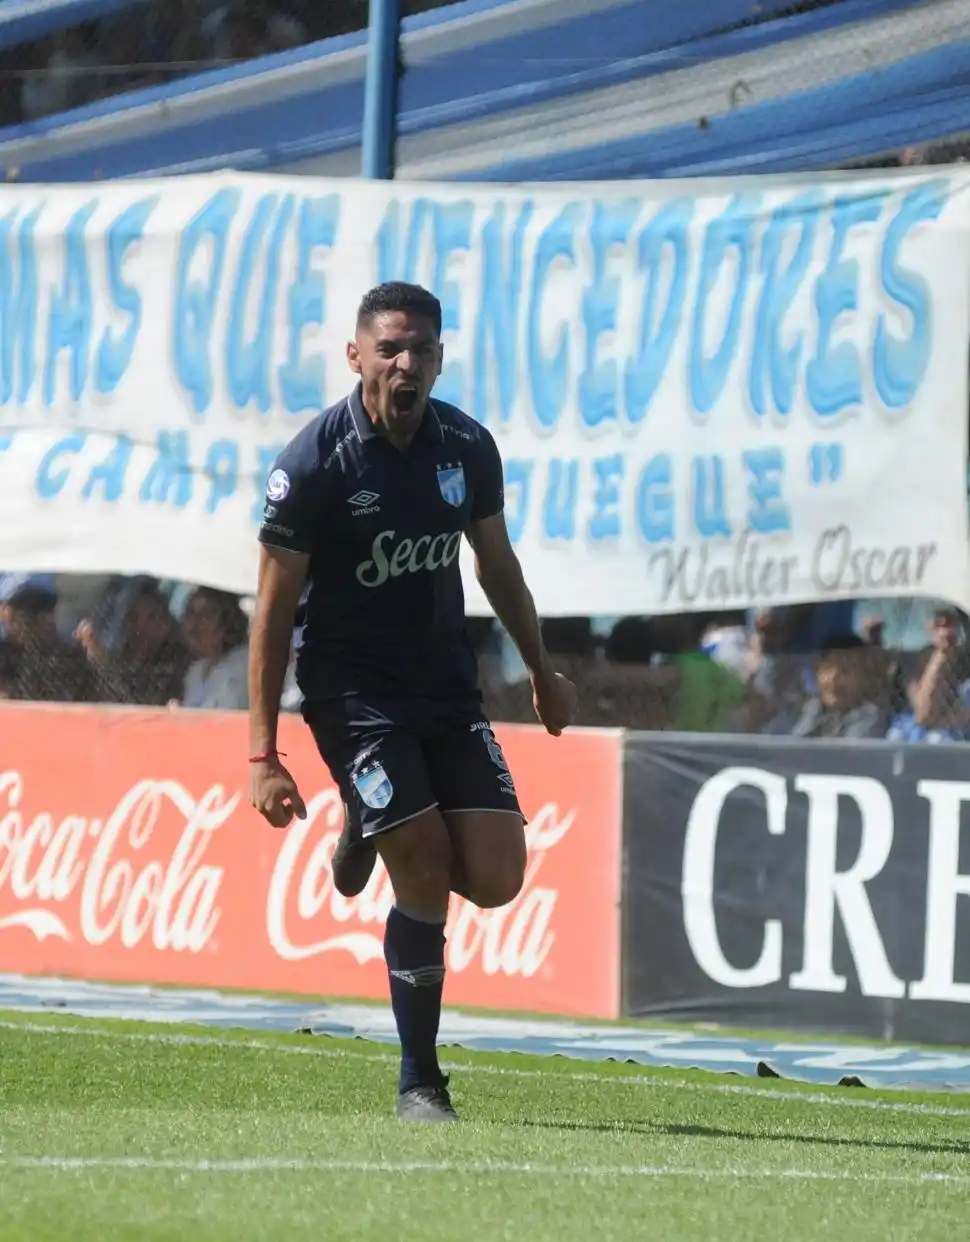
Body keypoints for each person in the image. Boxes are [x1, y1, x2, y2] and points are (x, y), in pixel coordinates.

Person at [248, 281, 577, 1123]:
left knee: (499, 877)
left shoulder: (466, 446)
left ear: (439, 358)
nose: (406, 362)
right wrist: (264, 753)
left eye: (421, 349)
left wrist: (541, 668)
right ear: (356, 354)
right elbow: (274, 608)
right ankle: (420, 1080)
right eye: (390, 347)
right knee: (424, 862)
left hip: (444, 684)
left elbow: (495, 564)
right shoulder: (314, 464)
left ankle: (368, 818)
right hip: (351, 690)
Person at [180, 587, 250, 710]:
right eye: (191, 614)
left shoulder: (244, 665)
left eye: (206, 615)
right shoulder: (194, 673)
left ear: (226, 623)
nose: (194, 626)